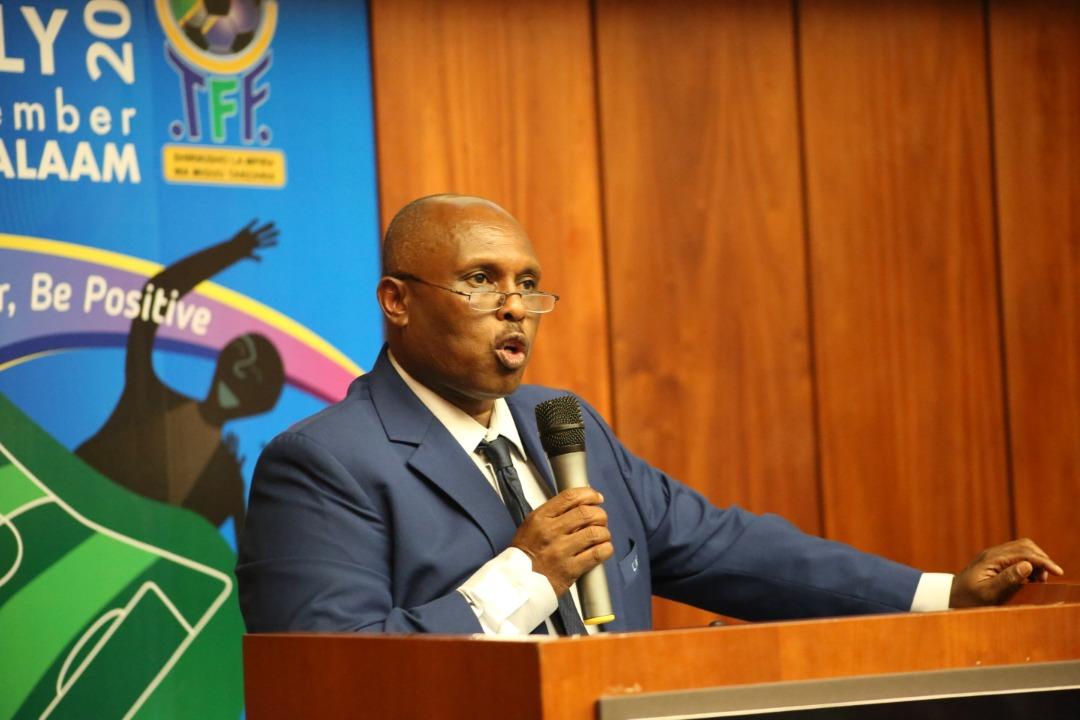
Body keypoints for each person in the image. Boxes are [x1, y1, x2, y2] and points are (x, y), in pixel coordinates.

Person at [237, 195, 1062, 635]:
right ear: (396, 301)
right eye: (482, 280)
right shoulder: (326, 463)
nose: (515, 307)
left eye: (529, 285)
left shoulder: (564, 427)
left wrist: (940, 593)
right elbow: (332, 678)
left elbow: (724, 547)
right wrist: (525, 576)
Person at [77, 221, 284, 534]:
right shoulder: (148, 397)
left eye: (254, 376)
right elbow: (156, 295)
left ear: (261, 403)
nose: (240, 372)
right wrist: (230, 251)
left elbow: (245, 553)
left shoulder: (227, 476)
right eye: (240, 355)